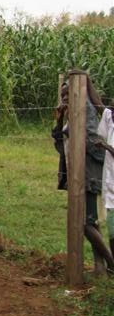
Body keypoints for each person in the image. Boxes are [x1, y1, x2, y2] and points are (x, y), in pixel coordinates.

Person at [52, 74, 114, 276]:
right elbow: (59, 145)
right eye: (62, 95)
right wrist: (59, 120)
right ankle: (100, 267)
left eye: (68, 94)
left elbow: (92, 142)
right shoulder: (69, 116)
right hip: (77, 174)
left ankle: (111, 264)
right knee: (90, 221)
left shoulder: (85, 115)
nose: (65, 98)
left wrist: (84, 79)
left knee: (85, 222)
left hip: (88, 174)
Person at [97, 98, 114, 259]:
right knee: (112, 230)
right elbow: (101, 106)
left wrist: (105, 146)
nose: (111, 113)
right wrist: (87, 84)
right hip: (111, 187)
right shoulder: (110, 119)